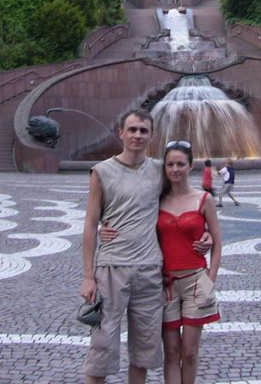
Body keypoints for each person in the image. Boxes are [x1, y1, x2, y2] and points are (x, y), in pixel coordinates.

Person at [80, 109, 211, 384]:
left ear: (152, 136)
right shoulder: (102, 171)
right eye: (132, 130)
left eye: (143, 131)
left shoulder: (158, 170)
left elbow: (182, 199)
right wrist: (88, 276)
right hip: (111, 267)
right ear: (121, 133)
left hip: (151, 270)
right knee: (102, 345)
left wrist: (206, 231)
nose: (137, 135)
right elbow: (91, 223)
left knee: (144, 348)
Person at [158, 141, 221, 384]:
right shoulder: (157, 199)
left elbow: (217, 242)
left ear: (190, 166)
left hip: (196, 281)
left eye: (180, 164)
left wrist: (210, 282)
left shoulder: (203, 199)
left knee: (190, 352)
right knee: (171, 352)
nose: (175, 169)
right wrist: (107, 228)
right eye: (170, 164)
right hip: (165, 285)